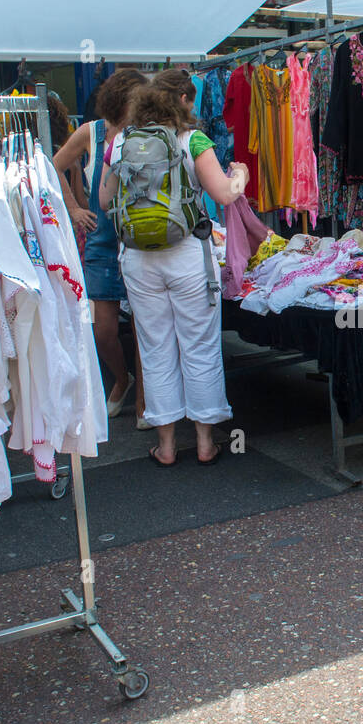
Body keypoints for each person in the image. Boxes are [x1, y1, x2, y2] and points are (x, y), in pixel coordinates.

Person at [98, 70, 248, 466]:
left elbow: (103, 199)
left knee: (155, 348)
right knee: (198, 346)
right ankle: (204, 443)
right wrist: (240, 176)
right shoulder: (193, 140)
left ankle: (165, 446)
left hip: (138, 261)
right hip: (187, 255)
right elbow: (223, 194)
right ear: (178, 104)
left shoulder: (118, 144)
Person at [53, 70, 149, 425]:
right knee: (103, 328)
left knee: (143, 328)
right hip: (103, 240)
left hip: (140, 239)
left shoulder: (146, 131)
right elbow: (53, 166)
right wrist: (75, 208)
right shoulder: (91, 132)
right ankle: (122, 380)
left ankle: (143, 404)